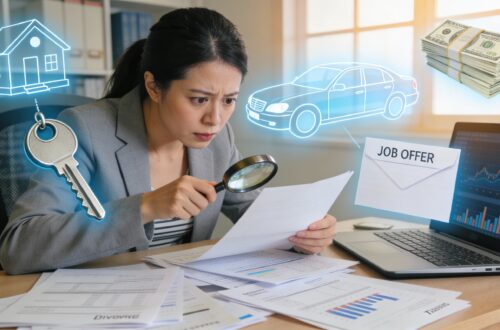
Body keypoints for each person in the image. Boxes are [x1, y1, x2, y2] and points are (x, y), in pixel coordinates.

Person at [0, 8, 336, 275]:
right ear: (153, 86)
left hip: (180, 301)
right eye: (199, 99)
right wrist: (145, 207)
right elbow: (18, 247)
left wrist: (304, 233)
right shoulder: (83, 130)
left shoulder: (217, 140)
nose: (215, 120)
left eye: (229, 100)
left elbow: (259, 217)